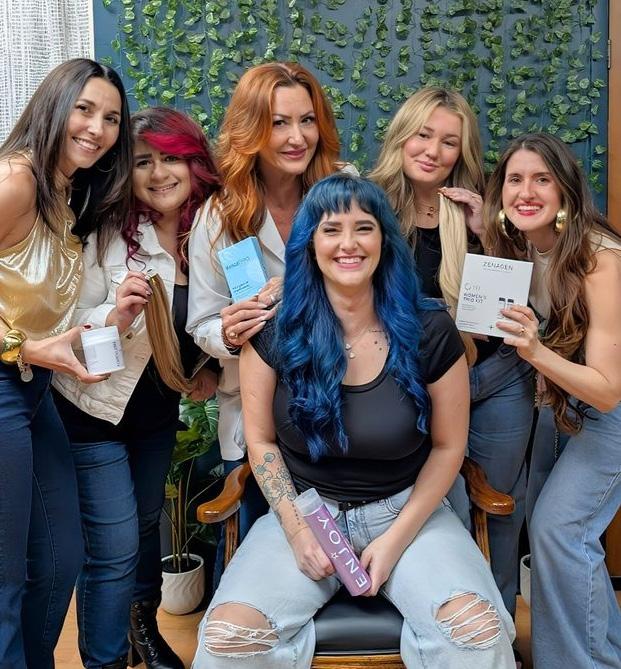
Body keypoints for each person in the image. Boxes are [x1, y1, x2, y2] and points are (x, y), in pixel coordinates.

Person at [192, 173, 516, 669]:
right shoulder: (274, 331)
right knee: (227, 639)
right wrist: (298, 532)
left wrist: (395, 540)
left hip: (407, 513)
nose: (349, 244)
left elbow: (449, 447)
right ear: (310, 244)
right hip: (306, 513)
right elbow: (260, 441)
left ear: (384, 240)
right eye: (331, 229)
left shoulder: (431, 330)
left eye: (364, 228)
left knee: (476, 634)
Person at [52, 107, 220, 669]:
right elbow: (66, 323)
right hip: (91, 411)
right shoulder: (109, 232)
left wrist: (209, 370)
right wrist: (114, 314)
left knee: (147, 525)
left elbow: (210, 320)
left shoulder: (213, 232)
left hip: (155, 415)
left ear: (195, 163)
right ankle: (105, 658)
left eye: (172, 157)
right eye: (143, 161)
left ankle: (140, 630)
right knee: (114, 546)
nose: (159, 173)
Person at [186, 61, 352, 584]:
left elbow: (379, 286)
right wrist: (228, 333)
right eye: (279, 123)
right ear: (251, 129)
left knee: (338, 561)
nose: (297, 137)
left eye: (307, 120)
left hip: (344, 401)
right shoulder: (219, 214)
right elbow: (202, 322)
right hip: (257, 419)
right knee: (258, 566)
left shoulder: (345, 191)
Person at [370, 87, 534, 617]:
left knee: (501, 506)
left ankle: (499, 628)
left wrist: (488, 231)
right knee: (438, 508)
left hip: (496, 379)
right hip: (416, 386)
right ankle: (446, 623)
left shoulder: (485, 206)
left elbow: (529, 293)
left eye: (449, 142)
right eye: (423, 135)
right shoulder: (370, 205)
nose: (433, 151)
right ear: (402, 135)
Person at [0, 58, 132, 669]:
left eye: (111, 118)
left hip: (31, 390)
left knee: (59, 560)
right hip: (7, 380)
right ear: (54, 105)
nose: (97, 128)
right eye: (84, 109)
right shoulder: (16, 182)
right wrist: (26, 349)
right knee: (6, 575)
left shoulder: (66, 193)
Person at [484, 132, 621, 669]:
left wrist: (535, 352)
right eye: (515, 180)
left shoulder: (599, 257)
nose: (526, 192)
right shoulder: (527, 245)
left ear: (565, 188)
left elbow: (607, 390)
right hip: (561, 408)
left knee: (559, 531)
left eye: (541, 179)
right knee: (556, 538)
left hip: (606, 410)